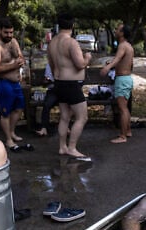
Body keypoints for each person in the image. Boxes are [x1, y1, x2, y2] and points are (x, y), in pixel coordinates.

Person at [47, 13, 92, 159]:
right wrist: (87, 58)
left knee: (65, 117)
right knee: (82, 117)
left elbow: (52, 64)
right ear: (72, 26)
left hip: (59, 82)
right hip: (71, 85)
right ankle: (72, 148)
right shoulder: (71, 42)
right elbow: (80, 65)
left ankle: (62, 147)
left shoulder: (52, 42)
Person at [0, 17, 28, 152]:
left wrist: (19, 60)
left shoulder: (13, 41)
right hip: (2, 83)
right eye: (6, 32)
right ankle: (8, 139)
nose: (9, 35)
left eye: (11, 32)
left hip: (15, 83)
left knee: (18, 108)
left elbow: (21, 58)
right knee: (5, 112)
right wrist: (13, 65)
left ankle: (12, 132)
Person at [100, 23, 134, 144]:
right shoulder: (128, 46)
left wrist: (107, 67)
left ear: (122, 33)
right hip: (127, 79)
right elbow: (125, 62)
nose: (115, 31)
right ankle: (128, 131)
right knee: (125, 108)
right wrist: (113, 63)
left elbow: (118, 58)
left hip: (122, 80)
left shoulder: (122, 45)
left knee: (122, 109)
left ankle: (122, 136)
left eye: (118, 29)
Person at [34, 63, 58, 137]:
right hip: (53, 90)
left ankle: (67, 128)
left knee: (67, 104)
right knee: (47, 104)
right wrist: (46, 81)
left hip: (65, 89)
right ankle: (44, 128)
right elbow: (47, 79)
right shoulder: (50, 64)